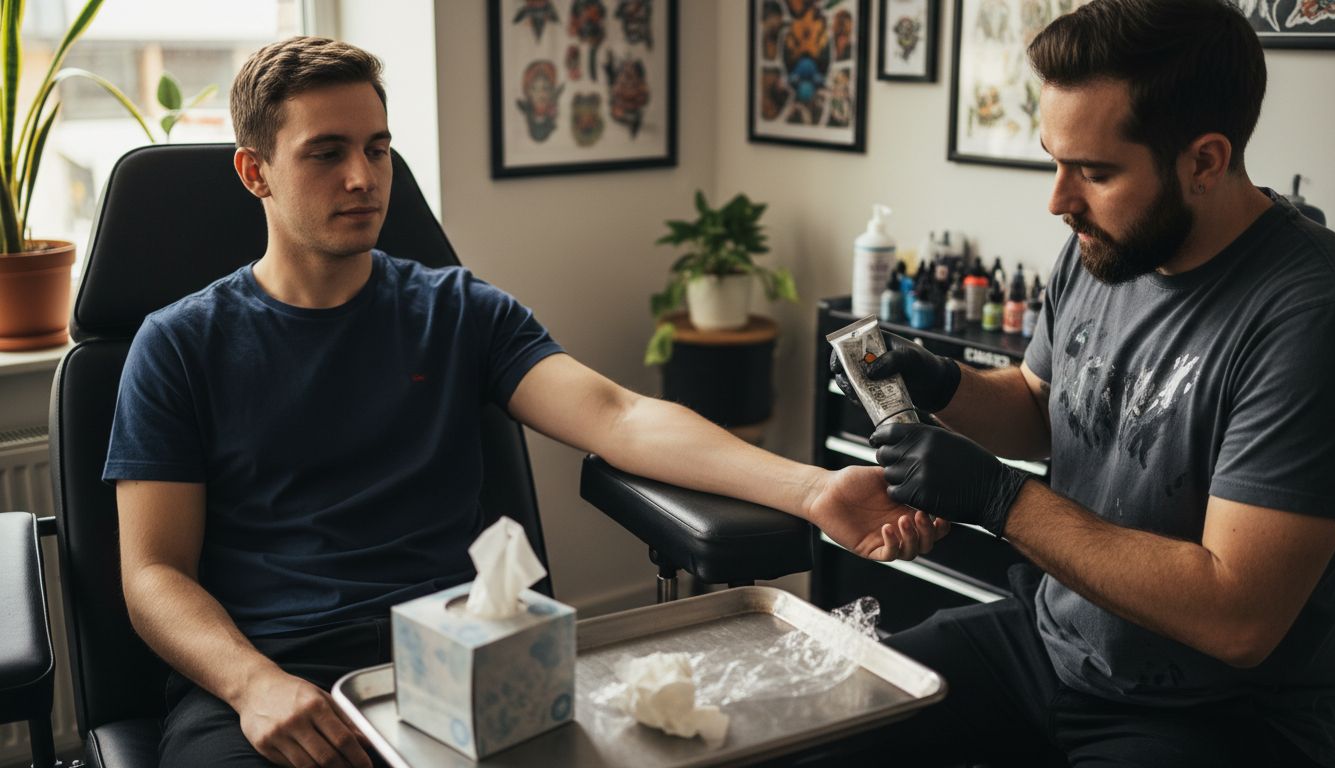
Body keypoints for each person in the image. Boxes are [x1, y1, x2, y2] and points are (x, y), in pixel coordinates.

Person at [105, 37, 948, 768]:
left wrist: (811, 489)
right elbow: (152, 575)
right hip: (269, 676)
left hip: (462, 659)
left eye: (378, 147)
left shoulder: (456, 310)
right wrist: (253, 685)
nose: (363, 177)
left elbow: (618, 415)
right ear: (255, 171)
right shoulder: (179, 345)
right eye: (326, 152)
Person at [832, 1, 1335, 765]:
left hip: (1214, 717)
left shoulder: (1310, 312)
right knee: (825, 724)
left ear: (1205, 161)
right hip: (1049, 642)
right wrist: (944, 384)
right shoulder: (1104, 244)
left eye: (1096, 172)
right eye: (1055, 161)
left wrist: (1000, 500)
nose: (1059, 201)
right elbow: (1043, 407)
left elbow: (1239, 616)